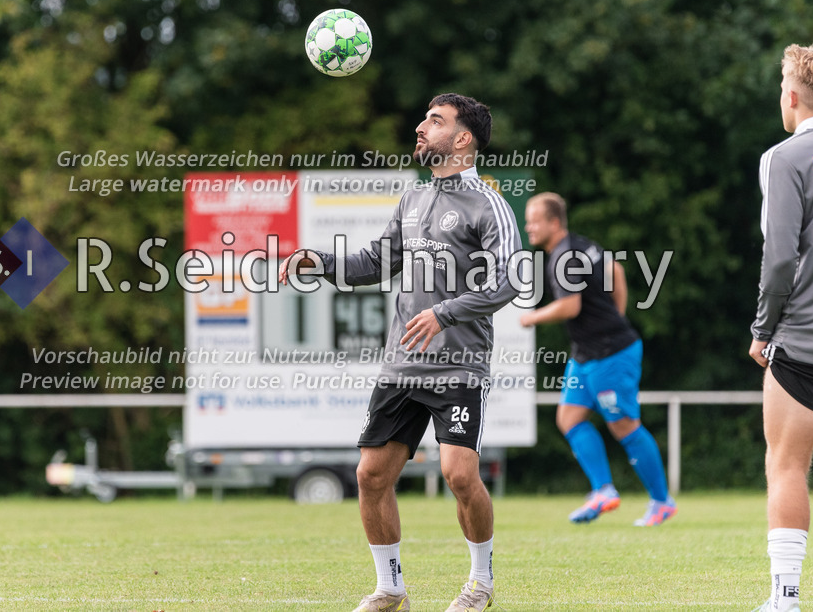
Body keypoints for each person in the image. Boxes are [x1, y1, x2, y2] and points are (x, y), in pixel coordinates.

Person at [279, 93, 521, 612]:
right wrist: (319, 260)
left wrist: (444, 313)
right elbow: (376, 261)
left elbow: (508, 282)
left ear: (462, 138)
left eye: (435, 121)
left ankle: (480, 583)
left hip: (458, 364)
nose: (420, 127)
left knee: (459, 474)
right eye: (424, 119)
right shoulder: (414, 198)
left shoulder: (489, 205)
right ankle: (390, 589)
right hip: (402, 365)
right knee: (370, 475)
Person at [520, 192, 676, 526]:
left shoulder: (564, 256)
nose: (528, 226)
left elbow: (570, 306)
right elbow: (615, 269)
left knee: (623, 425)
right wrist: (616, 313)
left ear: (554, 223)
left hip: (611, 353)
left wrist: (531, 317)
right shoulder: (580, 245)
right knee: (569, 418)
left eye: (534, 221)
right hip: (586, 354)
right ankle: (603, 490)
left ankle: (662, 502)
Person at [749, 43, 813, 612]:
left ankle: (786, 598)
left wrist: (763, 328)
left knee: (788, 465)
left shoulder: (784, 157)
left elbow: (779, 260)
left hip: (803, 340)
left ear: (791, 96)